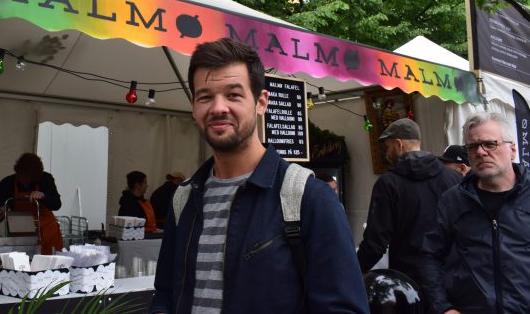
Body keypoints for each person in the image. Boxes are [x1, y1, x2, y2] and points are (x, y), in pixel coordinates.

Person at [150, 38, 368, 313]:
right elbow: (166, 293)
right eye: (205, 97)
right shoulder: (183, 199)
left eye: (233, 95)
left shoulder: (308, 198)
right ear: (194, 107)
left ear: (261, 102)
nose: (218, 107)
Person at [421, 112, 529, 313]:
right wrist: (443, 307)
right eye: (472, 147)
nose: (480, 152)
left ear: (512, 149)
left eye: (490, 144)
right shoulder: (452, 201)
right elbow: (430, 257)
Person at [357, 118, 460, 290]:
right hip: (449, 276)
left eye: (388, 147)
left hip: (408, 282)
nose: (387, 153)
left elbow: (375, 244)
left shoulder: (388, 184)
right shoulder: (454, 178)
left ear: (399, 144)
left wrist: (353, 271)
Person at [0, 153, 63, 255]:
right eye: (22, 176)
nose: (25, 181)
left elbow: (56, 204)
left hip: (48, 234)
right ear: (18, 171)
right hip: (21, 235)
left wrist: (43, 196)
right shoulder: (6, 183)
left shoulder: (45, 179)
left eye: (29, 178)